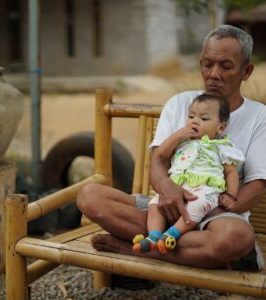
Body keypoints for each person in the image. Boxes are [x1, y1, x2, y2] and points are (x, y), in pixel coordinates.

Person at [77, 24, 266, 271]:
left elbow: (256, 185)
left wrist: (204, 210)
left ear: (246, 71)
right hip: (166, 206)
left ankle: (137, 249)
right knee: (89, 196)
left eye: (226, 66)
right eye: (208, 64)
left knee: (237, 238)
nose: (214, 74)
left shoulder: (259, 116)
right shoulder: (180, 103)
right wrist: (168, 192)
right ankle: (188, 248)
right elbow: (157, 161)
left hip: (214, 216)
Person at [132, 93, 245, 254]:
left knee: (198, 205)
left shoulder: (223, 146)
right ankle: (154, 236)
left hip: (205, 189)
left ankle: (172, 234)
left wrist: (231, 195)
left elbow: (231, 173)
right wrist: (177, 136)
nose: (195, 121)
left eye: (204, 119)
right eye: (191, 116)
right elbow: (160, 154)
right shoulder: (182, 142)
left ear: (220, 128)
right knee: (155, 204)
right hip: (176, 188)